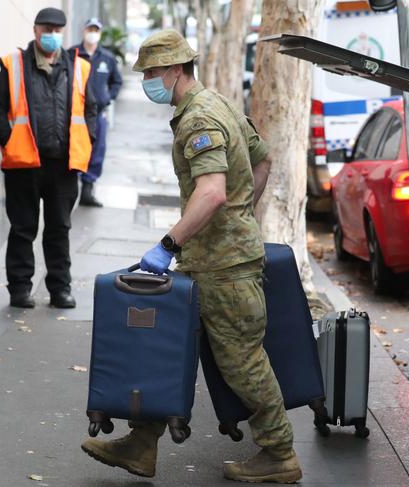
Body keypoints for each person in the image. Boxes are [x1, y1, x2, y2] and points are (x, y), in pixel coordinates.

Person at [80, 30, 301, 483]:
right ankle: (141, 444)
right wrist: (242, 214)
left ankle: (279, 453)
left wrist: (168, 244)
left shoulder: (200, 118)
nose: (149, 81)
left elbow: (213, 192)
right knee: (168, 349)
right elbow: (262, 162)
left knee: (243, 363)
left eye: (154, 73)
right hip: (214, 261)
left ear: (177, 69)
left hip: (225, 269)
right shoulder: (218, 104)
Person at [0, 7, 97, 309]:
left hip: (63, 165)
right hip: (25, 164)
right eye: (46, 29)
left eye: (56, 30)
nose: (51, 35)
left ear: (62, 33)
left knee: (59, 228)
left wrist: (90, 139)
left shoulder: (78, 67)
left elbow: (91, 109)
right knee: (23, 228)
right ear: (35, 30)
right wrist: (6, 139)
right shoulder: (15, 65)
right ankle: (20, 289)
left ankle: (60, 289)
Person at [72, 17, 123, 207]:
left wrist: (108, 97)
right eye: (89, 29)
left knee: (97, 150)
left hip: (98, 114)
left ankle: (87, 189)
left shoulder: (107, 58)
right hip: (75, 114)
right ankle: (71, 188)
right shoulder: (73, 54)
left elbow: (117, 81)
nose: (92, 33)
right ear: (84, 31)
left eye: (96, 30)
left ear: (99, 33)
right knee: (75, 149)